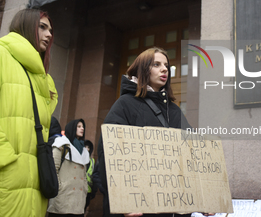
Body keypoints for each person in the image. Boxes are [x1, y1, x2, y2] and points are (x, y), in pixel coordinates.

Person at [97, 47, 192, 217]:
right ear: (142, 69)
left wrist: (204, 199)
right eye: (156, 64)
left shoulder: (175, 112)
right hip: (136, 210)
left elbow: (191, 157)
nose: (164, 69)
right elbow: (108, 156)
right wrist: (123, 201)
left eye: (166, 65)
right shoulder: (124, 104)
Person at [0, 8, 58, 217]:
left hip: (34, 185)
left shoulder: (44, 78)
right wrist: (5, 161)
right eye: (42, 27)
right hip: (5, 179)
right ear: (26, 26)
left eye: (51, 30)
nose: (49, 35)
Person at [47, 118, 90, 217]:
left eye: (83, 127)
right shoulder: (61, 144)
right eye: (79, 126)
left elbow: (84, 174)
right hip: (63, 198)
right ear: (72, 128)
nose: (82, 129)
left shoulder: (84, 151)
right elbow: (54, 169)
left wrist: (85, 188)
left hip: (78, 201)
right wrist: (59, 187)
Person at [84, 140, 96, 212]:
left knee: (85, 208)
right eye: (85, 147)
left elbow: (94, 175)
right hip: (80, 189)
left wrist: (93, 191)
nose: (87, 149)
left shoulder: (92, 161)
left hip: (88, 190)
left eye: (89, 147)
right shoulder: (80, 159)